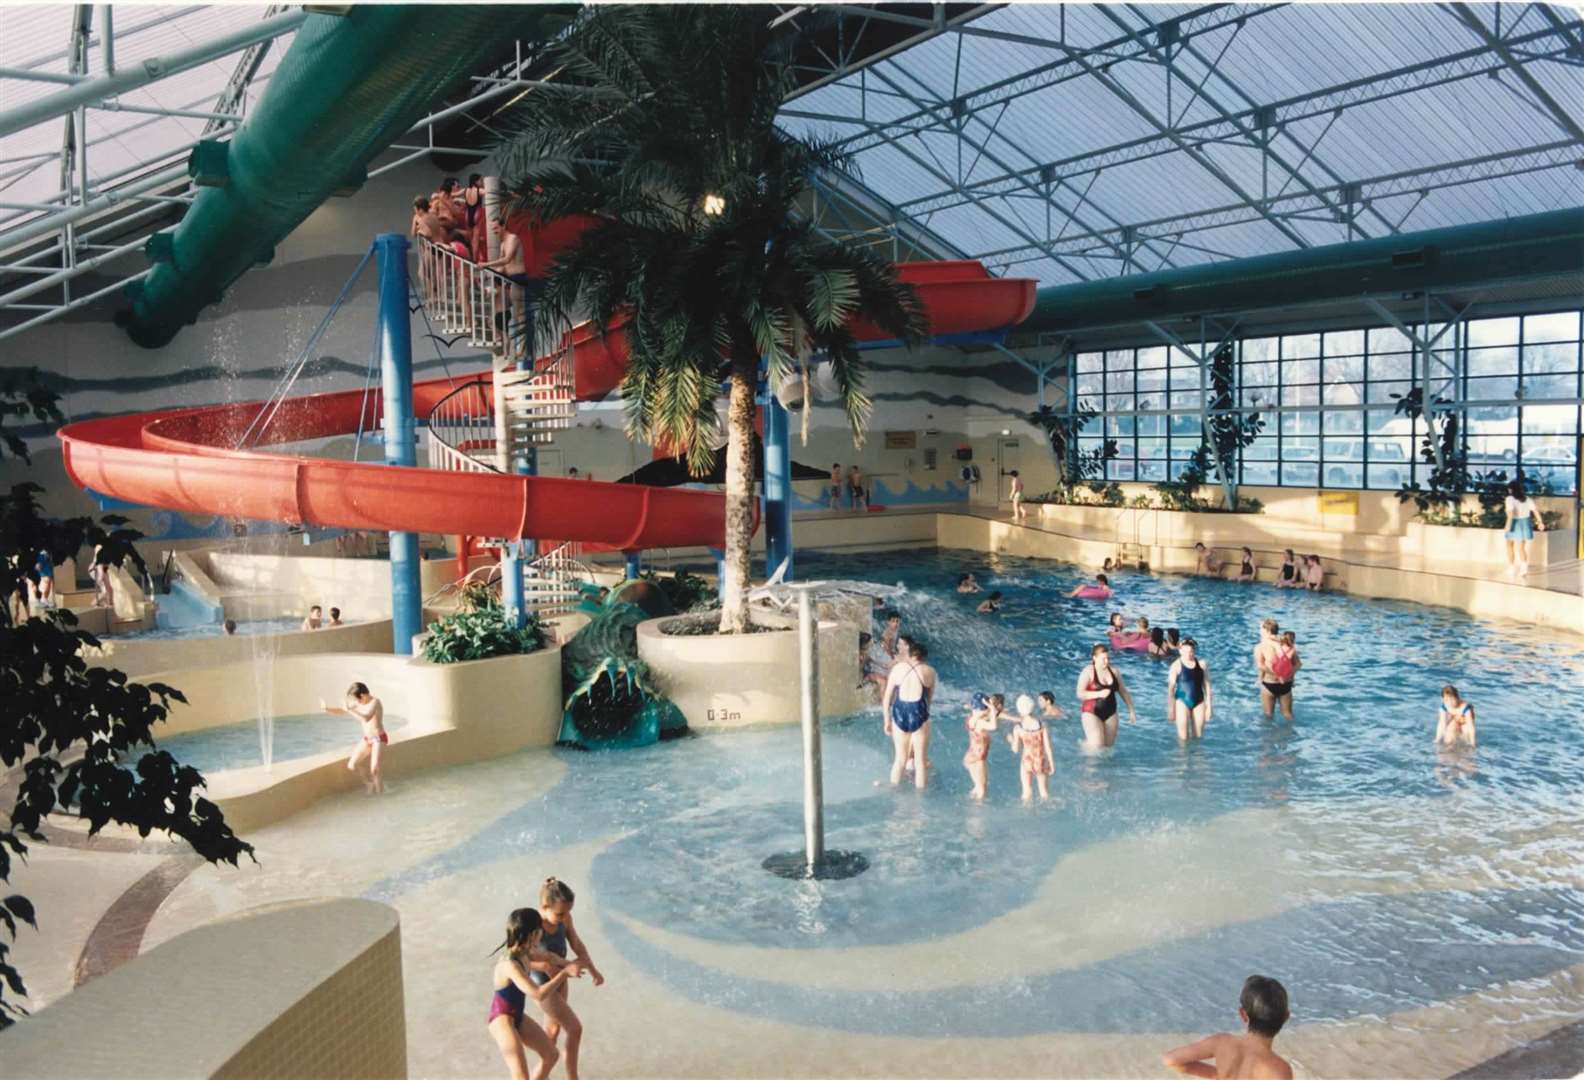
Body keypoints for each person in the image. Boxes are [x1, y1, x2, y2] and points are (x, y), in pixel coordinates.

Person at [488, 907, 585, 1080]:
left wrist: (570, 964)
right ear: (534, 934)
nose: (542, 934)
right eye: (540, 930)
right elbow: (538, 993)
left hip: (517, 1016)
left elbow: (550, 957)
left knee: (551, 1055)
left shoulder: (526, 953)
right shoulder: (509, 964)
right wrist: (564, 973)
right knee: (520, 1076)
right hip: (502, 1020)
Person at [526, 878, 604, 1080]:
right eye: (560, 913)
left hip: (562, 976)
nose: (564, 917)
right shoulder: (533, 925)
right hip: (541, 982)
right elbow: (518, 960)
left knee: (553, 1030)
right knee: (575, 1028)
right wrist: (545, 966)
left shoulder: (565, 919)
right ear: (544, 906)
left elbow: (576, 944)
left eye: (568, 912)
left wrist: (594, 970)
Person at [1162, 974, 1292, 1080]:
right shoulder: (1280, 1069)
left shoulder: (1221, 1043)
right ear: (1286, 1017)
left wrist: (1215, 1075)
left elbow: (1171, 1059)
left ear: (1243, 1014)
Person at [882, 636, 936, 789]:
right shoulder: (929, 671)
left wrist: (887, 720)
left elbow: (887, 698)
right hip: (918, 711)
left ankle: (894, 789)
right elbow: (929, 700)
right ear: (924, 657)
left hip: (899, 712)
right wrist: (924, 718)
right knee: (920, 761)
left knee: (900, 759)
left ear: (910, 654)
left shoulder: (897, 669)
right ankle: (921, 799)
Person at [321, 681, 386, 794]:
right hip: (367, 739)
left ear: (362, 695)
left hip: (379, 738)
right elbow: (342, 711)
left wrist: (350, 710)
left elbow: (366, 718)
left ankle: (381, 795)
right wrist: (327, 709)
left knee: (374, 769)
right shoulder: (358, 703)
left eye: (357, 699)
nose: (356, 702)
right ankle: (369, 784)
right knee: (352, 765)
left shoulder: (375, 702)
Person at [1075, 643, 1135, 749]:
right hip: (1091, 712)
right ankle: (1084, 749)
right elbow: (1079, 693)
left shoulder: (1114, 671)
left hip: (1111, 712)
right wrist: (1099, 694)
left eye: (1108, 658)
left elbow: (1123, 692)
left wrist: (1131, 710)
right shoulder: (1088, 671)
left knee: (1108, 748)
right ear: (1095, 658)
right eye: (1103, 659)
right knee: (1096, 746)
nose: (1106, 661)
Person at [1006, 693, 1054, 801]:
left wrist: (1010, 740)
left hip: (1026, 760)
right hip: (1040, 760)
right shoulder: (1042, 725)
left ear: (1019, 710)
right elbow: (1048, 747)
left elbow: (1015, 749)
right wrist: (1051, 763)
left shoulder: (1018, 728)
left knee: (1026, 791)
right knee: (1044, 792)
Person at [1166, 637, 1213, 741]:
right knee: (1183, 738)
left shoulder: (1202, 664)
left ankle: (1197, 756)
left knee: (1198, 737)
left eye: (1191, 652)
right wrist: (1171, 709)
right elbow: (1171, 689)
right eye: (1186, 652)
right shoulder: (1176, 666)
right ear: (1180, 651)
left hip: (1199, 701)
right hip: (1182, 701)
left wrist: (1209, 707)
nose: (1189, 654)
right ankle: (1183, 757)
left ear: (1194, 651)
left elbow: (1207, 686)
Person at [1256, 621, 1301, 722]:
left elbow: (1261, 666)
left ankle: (1269, 737)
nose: (1260, 631)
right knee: (1288, 714)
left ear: (1266, 630)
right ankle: (1291, 735)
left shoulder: (1260, 646)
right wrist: (1287, 675)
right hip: (1286, 684)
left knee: (1268, 715)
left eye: (1261, 629)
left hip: (1269, 684)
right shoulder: (1287, 643)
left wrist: (1276, 675)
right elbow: (1298, 664)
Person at [1502, 478, 1546, 578]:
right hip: (1525, 523)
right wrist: (1540, 522)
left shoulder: (1509, 499)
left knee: (1509, 545)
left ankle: (1511, 568)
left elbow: (1510, 514)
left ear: (1511, 490)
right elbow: (1535, 511)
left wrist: (1507, 525)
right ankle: (1523, 569)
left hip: (1514, 523)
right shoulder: (1527, 499)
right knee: (1521, 548)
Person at [962, 692, 999, 800]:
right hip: (978, 758)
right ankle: (978, 811)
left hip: (970, 756)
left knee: (977, 786)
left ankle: (969, 803)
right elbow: (993, 726)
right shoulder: (980, 722)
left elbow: (976, 710)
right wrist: (991, 708)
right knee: (982, 789)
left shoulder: (970, 718)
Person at [1435, 684, 1476, 748]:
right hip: (1453, 719)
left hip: (1464, 721)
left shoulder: (1465, 707)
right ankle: (1449, 748)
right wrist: (1437, 739)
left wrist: (1473, 743)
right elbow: (1442, 724)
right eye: (1446, 700)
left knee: (1466, 733)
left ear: (1457, 698)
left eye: (1452, 700)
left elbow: (1471, 726)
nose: (1450, 703)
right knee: (1449, 733)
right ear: (1443, 699)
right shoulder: (1444, 707)